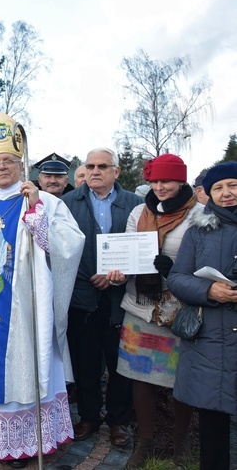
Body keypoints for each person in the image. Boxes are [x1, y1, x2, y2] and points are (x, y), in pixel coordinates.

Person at [0, 113, 84, 468]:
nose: (1, 168)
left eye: (8, 161)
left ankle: (24, 442)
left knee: (24, 366)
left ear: (20, 163)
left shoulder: (46, 201)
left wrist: (36, 213)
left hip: (28, 308)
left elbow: (69, 247)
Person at [105, 154, 199, 468]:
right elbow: (129, 252)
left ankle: (180, 440)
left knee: (179, 379)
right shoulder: (138, 212)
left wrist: (176, 270)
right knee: (140, 377)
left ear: (182, 181)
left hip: (179, 310)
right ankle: (145, 441)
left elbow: (205, 261)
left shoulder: (198, 215)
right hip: (140, 308)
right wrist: (119, 272)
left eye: (166, 181)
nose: (159, 187)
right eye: (154, 181)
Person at [61, 148, 142, 447]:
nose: (95, 171)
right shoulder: (68, 203)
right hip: (82, 297)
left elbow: (143, 249)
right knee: (85, 361)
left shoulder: (135, 204)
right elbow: (61, 249)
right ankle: (89, 417)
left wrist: (122, 274)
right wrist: (89, 276)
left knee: (120, 362)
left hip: (120, 298)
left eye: (102, 166)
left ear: (116, 172)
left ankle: (119, 422)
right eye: (90, 166)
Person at [167, 161, 237, 470]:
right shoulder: (199, 230)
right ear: (208, 194)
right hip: (212, 341)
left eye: (232, 185)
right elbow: (178, 278)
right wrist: (210, 291)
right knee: (213, 421)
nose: (226, 193)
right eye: (218, 188)